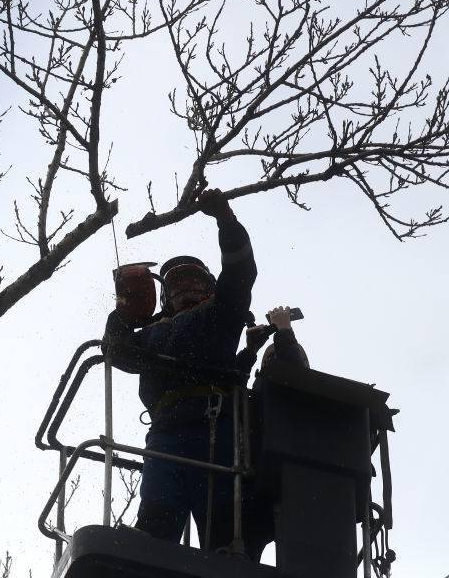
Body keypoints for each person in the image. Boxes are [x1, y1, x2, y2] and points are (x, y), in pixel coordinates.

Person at [103, 188, 257, 552]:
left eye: (195, 282)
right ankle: (149, 551)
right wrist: (123, 313)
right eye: (177, 285)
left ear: (209, 289)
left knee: (221, 514)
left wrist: (225, 219)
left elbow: (240, 272)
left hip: (215, 427)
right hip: (167, 429)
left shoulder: (221, 315)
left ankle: (229, 550)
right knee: (158, 511)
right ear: (164, 297)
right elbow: (119, 355)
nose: (186, 288)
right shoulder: (153, 333)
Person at [239, 305, 310, 562]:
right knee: (248, 550)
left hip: (285, 480)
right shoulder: (255, 394)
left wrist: (283, 331)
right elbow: (232, 379)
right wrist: (250, 350)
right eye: (269, 359)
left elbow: (293, 370)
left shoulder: (300, 390)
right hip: (258, 481)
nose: (273, 361)